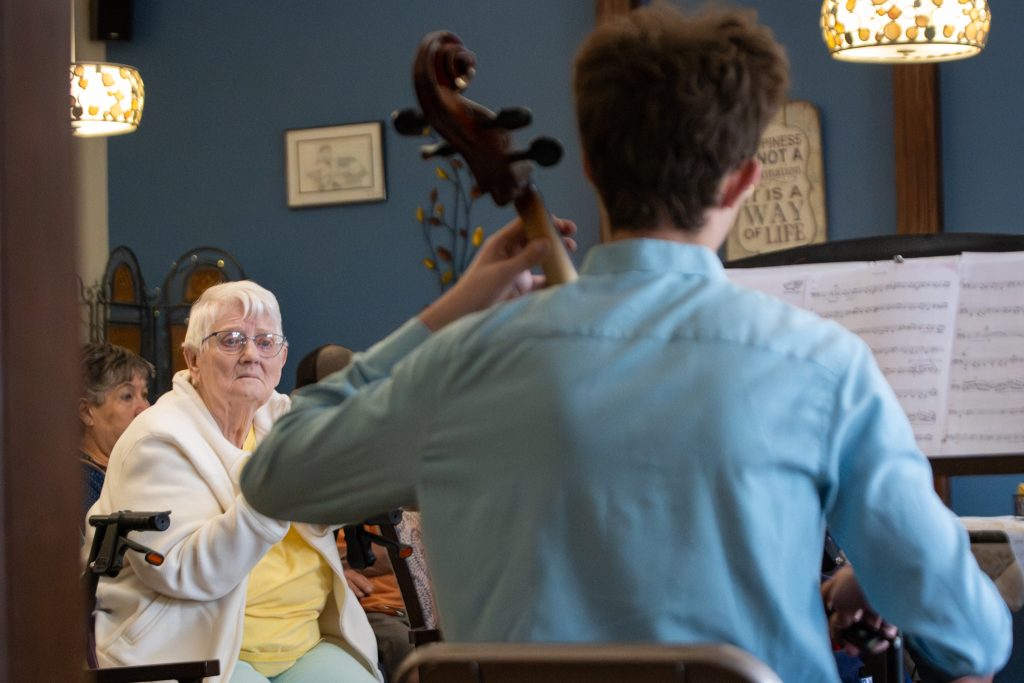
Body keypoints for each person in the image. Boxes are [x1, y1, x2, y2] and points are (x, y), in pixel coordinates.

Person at [241, 6, 1011, 682]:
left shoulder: (461, 362)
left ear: (590, 168)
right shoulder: (822, 367)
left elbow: (274, 472)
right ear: (743, 182)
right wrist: (865, 582)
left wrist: (447, 313)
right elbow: (971, 635)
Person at [84, 281, 380, 683]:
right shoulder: (156, 441)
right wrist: (272, 498)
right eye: (231, 340)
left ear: (282, 358)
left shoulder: (288, 422)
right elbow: (182, 571)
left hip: (302, 641)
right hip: (197, 650)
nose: (251, 355)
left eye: (265, 341)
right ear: (192, 358)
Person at [294, 344, 436, 682]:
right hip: (367, 611)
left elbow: (427, 539)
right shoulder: (300, 464)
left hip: (423, 604)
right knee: (411, 651)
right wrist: (340, 566)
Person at [79, 342, 154, 516]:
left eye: (144, 395)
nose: (144, 408)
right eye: (127, 396)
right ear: (86, 412)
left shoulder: (137, 468)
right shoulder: (79, 485)